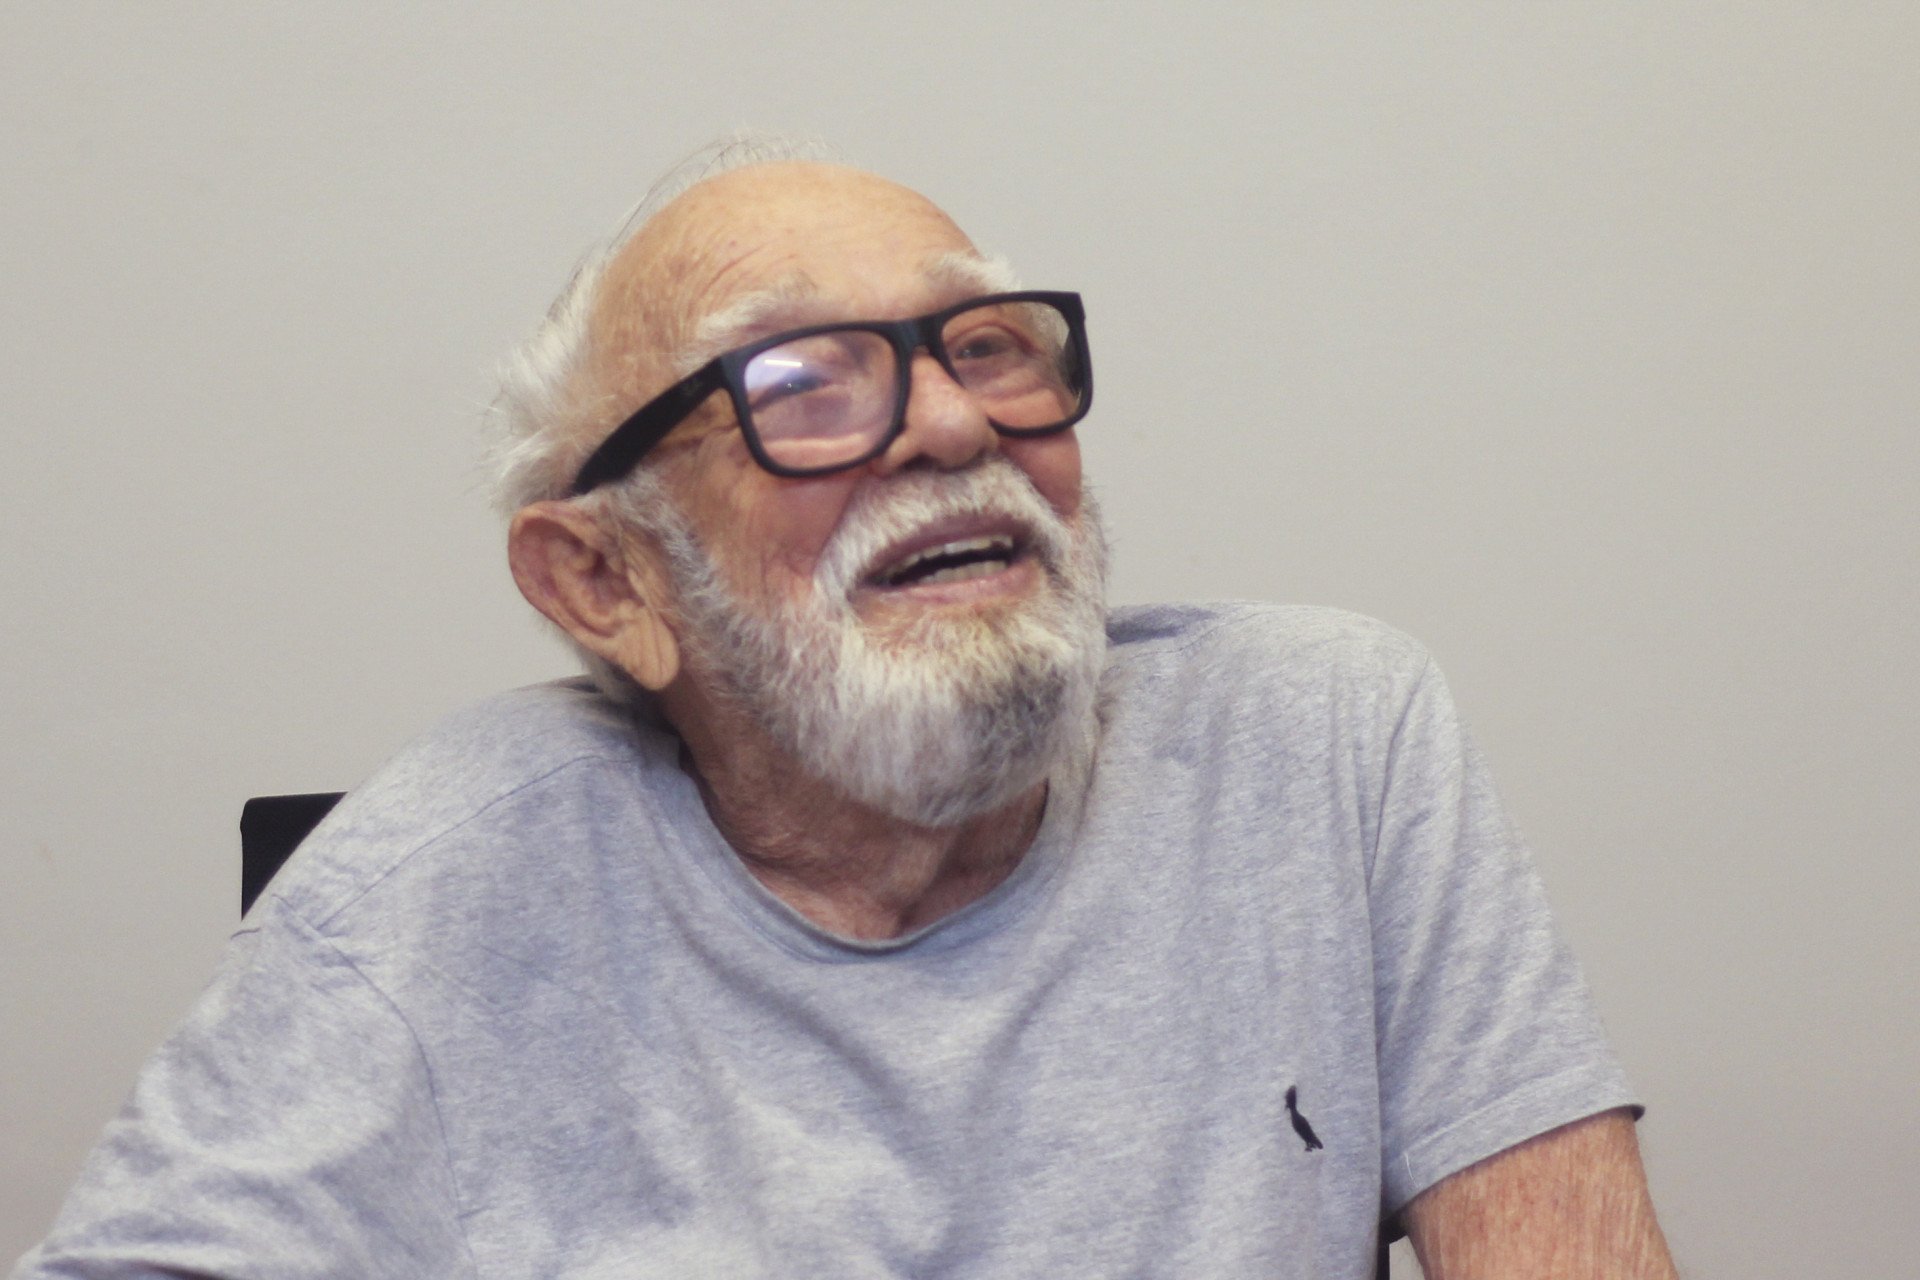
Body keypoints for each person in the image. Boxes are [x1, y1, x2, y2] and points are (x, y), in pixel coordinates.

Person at [14, 138, 1677, 1278]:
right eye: (800, 385)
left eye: (992, 345)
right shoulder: (438, 881)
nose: (954, 422)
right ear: (611, 584)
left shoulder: (1325, 741)